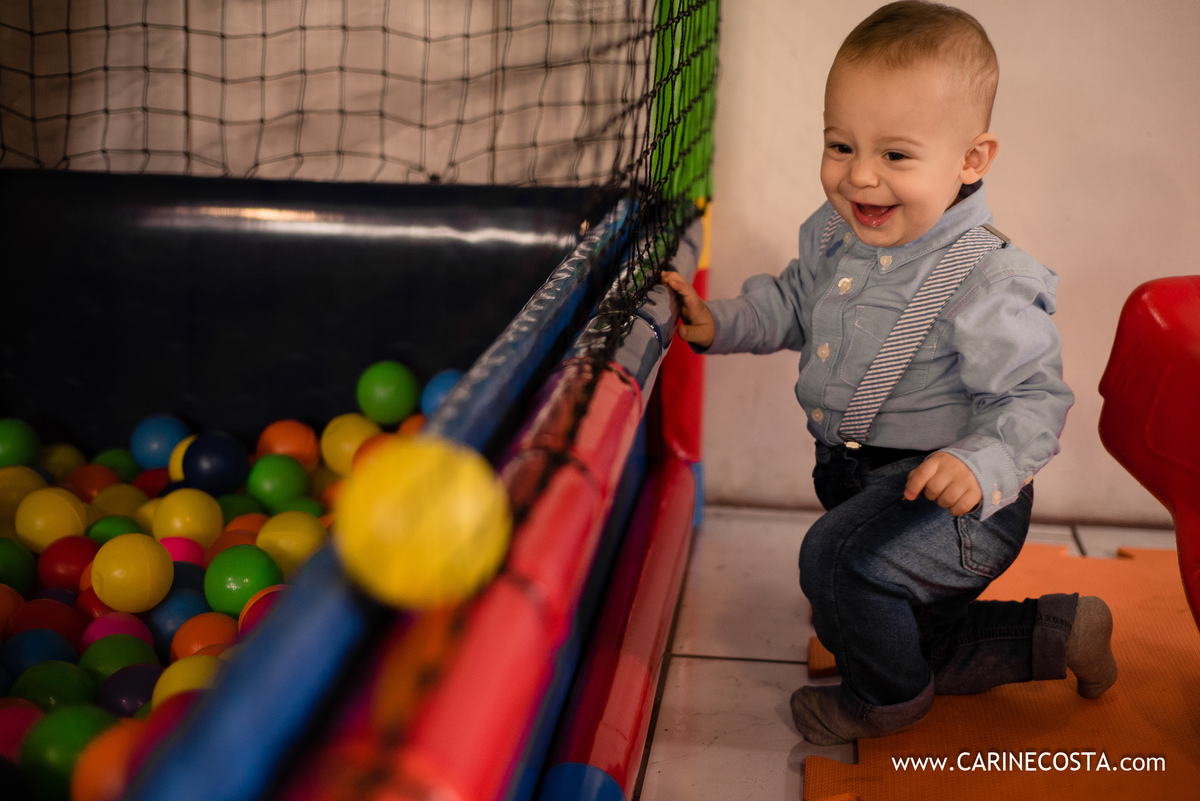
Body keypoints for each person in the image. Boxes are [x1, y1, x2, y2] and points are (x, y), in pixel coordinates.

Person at [661, 0, 1117, 745]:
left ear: (971, 160)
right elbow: (790, 303)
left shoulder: (987, 278)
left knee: (838, 561)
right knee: (900, 620)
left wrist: (978, 461)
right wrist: (722, 323)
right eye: (840, 145)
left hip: (957, 502)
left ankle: (888, 699)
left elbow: (1035, 397)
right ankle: (1061, 633)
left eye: (896, 156)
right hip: (856, 474)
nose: (860, 177)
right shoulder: (836, 234)